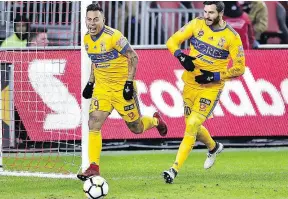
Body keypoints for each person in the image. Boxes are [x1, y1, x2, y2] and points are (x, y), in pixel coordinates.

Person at [77, 3, 168, 181]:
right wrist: (90, 82)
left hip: (121, 88)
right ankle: (93, 167)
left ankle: (156, 120)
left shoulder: (114, 36)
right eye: (89, 19)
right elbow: (96, 61)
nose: (92, 23)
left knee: (136, 128)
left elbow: (133, 56)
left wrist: (128, 83)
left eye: (96, 19)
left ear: (103, 20)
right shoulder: (87, 39)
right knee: (93, 123)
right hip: (102, 89)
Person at [163, 1, 246, 184]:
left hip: (211, 88)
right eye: (205, 11)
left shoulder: (232, 37)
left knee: (192, 123)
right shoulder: (196, 24)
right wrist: (180, 55)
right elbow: (172, 41)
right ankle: (214, 147)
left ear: (221, 13)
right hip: (190, 84)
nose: (206, 16)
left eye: (211, 13)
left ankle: (174, 169)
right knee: (192, 126)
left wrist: (214, 76)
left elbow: (240, 68)